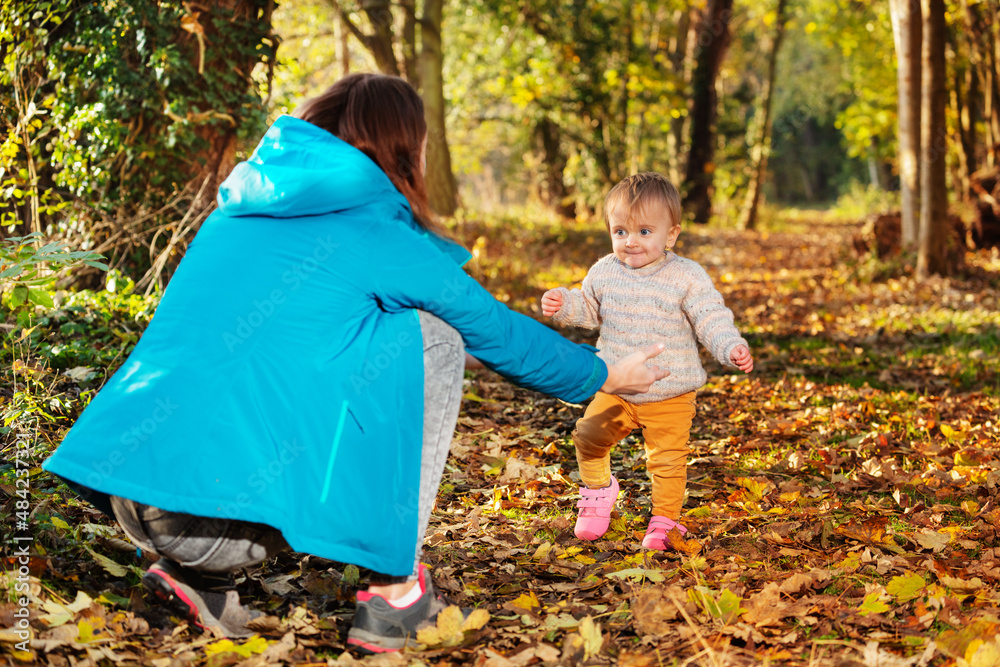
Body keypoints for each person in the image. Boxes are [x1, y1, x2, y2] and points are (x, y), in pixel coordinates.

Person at [42, 74, 669, 653]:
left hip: (133, 493)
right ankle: (396, 593)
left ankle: (196, 579)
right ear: (404, 149)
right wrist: (606, 374)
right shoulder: (375, 231)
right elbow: (493, 331)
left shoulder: (238, 210)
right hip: (208, 514)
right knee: (435, 337)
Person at [540, 172, 753, 551]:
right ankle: (599, 490)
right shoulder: (605, 270)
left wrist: (729, 346)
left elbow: (710, 317)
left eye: (644, 232)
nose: (630, 242)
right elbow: (589, 309)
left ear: (670, 235)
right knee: (588, 435)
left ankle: (665, 520)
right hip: (618, 386)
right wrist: (565, 304)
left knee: (667, 461)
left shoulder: (685, 276)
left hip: (670, 393)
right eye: (620, 231)